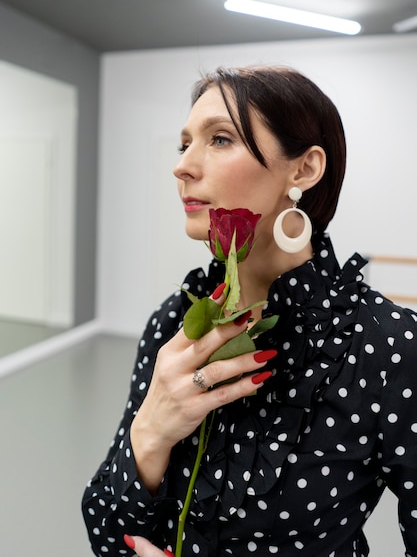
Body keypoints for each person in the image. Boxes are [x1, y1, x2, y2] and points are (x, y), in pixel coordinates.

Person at [82, 66, 417, 557]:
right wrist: (150, 432)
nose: (183, 166)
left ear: (303, 169)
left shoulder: (386, 345)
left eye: (219, 139)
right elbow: (107, 534)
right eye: (184, 144)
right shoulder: (171, 324)